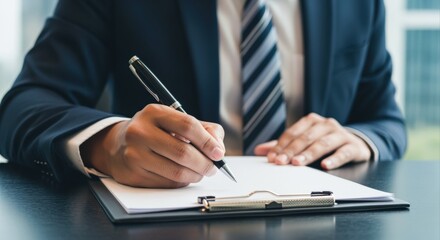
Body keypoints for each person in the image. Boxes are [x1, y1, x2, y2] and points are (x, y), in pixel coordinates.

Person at [0, 0, 406, 188]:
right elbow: (23, 106)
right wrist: (109, 143)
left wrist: (359, 138)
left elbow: (386, 121)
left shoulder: (360, 4)